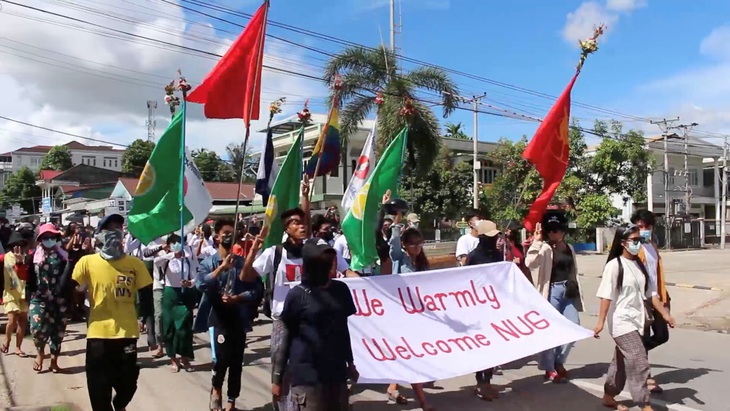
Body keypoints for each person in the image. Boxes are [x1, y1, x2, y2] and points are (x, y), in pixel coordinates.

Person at [71, 213, 153, 411]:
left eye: (118, 228)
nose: (114, 233)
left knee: (128, 383)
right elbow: (70, 288)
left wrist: (148, 326)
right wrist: (72, 256)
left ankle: (119, 403)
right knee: (99, 388)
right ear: (100, 235)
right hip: (98, 334)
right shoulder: (87, 262)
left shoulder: (135, 264)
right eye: (109, 229)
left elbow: (146, 297)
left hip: (127, 333)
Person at [593, 225, 675, 411]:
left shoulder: (640, 265)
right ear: (623, 243)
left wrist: (666, 314)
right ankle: (644, 403)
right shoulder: (614, 266)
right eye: (634, 241)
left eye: (640, 240)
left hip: (638, 321)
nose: (638, 244)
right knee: (638, 359)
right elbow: (606, 296)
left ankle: (608, 395)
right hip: (621, 322)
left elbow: (652, 295)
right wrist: (600, 323)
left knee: (621, 362)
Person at [272, 238, 358, 411]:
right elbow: (287, 336)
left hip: (336, 374)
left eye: (331, 261)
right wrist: (278, 378)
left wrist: (350, 363)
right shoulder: (297, 295)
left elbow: (343, 330)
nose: (330, 265)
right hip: (306, 378)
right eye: (324, 261)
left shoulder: (341, 291)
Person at [197, 218, 263, 411]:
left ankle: (232, 400)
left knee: (236, 362)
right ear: (216, 236)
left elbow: (256, 290)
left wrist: (239, 297)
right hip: (217, 318)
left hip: (238, 318)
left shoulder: (243, 263)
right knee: (221, 360)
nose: (227, 235)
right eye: (224, 232)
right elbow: (201, 284)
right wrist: (221, 268)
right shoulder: (209, 262)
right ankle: (216, 389)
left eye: (231, 232)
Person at [525, 210, 584, 383]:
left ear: (563, 230)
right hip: (550, 292)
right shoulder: (544, 248)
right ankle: (549, 367)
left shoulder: (569, 248)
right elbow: (530, 263)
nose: (553, 233)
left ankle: (559, 362)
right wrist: (536, 242)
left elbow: (573, 270)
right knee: (551, 331)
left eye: (556, 229)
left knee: (574, 327)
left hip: (568, 292)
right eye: (549, 230)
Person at [387, 210, 433, 411]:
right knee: (410, 355)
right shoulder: (399, 259)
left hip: (419, 315)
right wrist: (397, 222)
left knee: (406, 354)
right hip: (401, 314)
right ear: (405, 245)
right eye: (411, 243)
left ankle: (392, 386)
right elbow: (394, 244)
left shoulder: (422, 264)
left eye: (419, 243)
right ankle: (423, 403)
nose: (416, 247)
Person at [631, 209, 670, 394]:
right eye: (639, 227)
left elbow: (657, 274)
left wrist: (664, 297)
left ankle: (633, 354)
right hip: (643, 300)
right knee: (644, 337)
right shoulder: (634, 248)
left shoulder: (652, 246)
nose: (643, 230)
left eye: (646, 226)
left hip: (658, 298)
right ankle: (645, 378)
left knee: (662, 335)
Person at [464, 220, 503, 400]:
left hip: (494, 306)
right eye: (492, 236)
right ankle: (480, 383)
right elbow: (466, 282)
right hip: (478, 308)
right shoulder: (474, 256)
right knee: (482, 347)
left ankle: (487, 381)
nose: (495, 238)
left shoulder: (496, 254)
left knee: (494, 347)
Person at [28, 223, 71, 373]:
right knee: (36, 328)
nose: (49, 240)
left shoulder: (64, 256)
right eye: (45, 237)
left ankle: (54, 361)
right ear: (40, 239)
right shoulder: (33, 256)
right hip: (39, 298)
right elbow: (29, 279)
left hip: (59, 299)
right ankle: (40, 353)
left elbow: (68, 278)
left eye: (52, 237)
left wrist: (62, 295)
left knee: (58, 330)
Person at [155, 233, 197, 372]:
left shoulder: (188, 260)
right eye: (174, 243)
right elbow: (156, 262)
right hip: (170, 294)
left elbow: (195, 277)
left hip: (184, 295)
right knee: (169, 329)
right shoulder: (166, 259)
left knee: (184, 329)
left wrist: (189, 283)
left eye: (179, 242)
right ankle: (173, 358)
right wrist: (171, 254)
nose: (177, 245)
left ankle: (185, 358)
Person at [1, 230, 31, 357]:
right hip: (10, 293)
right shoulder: (4, 257)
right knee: (12, 320)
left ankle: (18, 347)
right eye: (15, 245)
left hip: (24, 293)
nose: (17, 247)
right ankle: (7, 341)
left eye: (20, 244)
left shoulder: (28, 257)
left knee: (23, 322)